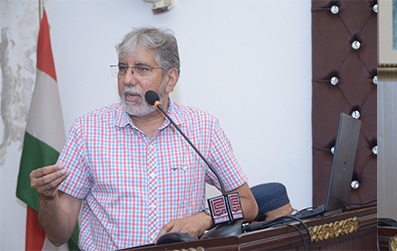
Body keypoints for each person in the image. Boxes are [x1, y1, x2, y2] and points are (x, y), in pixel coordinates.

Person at [28, 27, 258, 250]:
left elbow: (247, 203)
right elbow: (59, 236)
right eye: (122, 68)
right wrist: (48, 199)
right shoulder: (87, 131)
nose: (128, 79)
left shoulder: (201, 128)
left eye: (142, 69)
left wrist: (205, 218)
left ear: (170, 79)